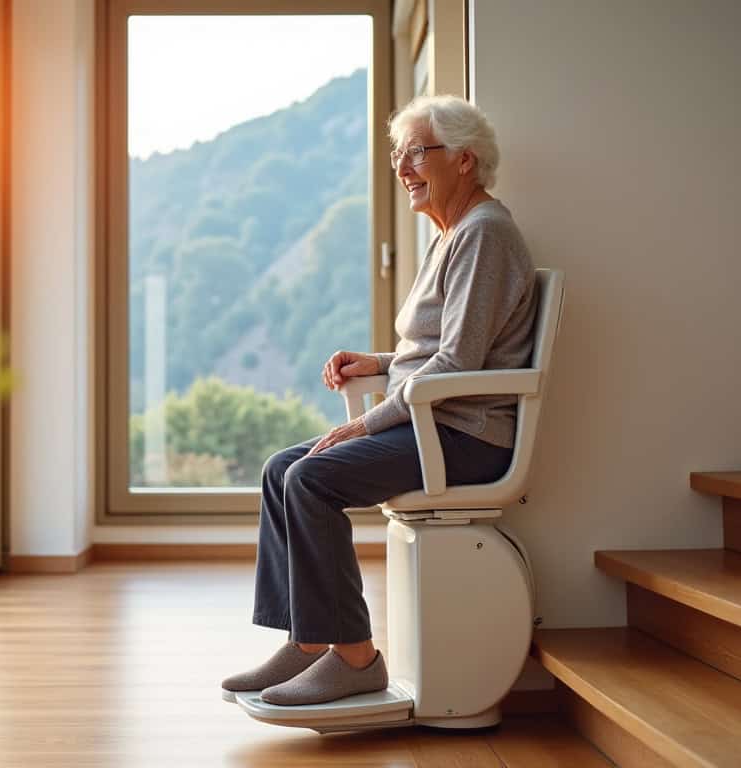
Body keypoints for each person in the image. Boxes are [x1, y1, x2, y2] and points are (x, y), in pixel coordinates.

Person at [221, 95, 538, 707]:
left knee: (310, 479)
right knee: (281, 469)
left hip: (467, 436)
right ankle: (309, 642)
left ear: (466, 160)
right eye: (400, 153)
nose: (403, 166)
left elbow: (458, 365)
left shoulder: (484, 236)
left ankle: (356, 660)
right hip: (433, 422)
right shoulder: (451, 236)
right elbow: (446, 351)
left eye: (418, 152)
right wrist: (381, 364)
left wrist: (366, 422)